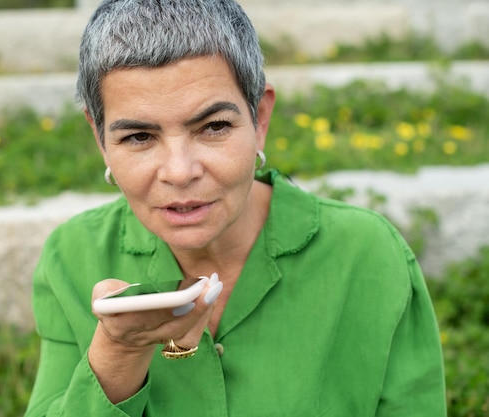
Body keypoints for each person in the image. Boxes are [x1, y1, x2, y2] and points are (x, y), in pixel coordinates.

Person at [24, 0, 446, 416]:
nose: (179, 172)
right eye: (138, 137)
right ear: (100, 140)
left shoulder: (367, 254)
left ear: (259, 119)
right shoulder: (72, 258)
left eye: (214, 127)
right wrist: (119, 351)